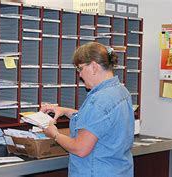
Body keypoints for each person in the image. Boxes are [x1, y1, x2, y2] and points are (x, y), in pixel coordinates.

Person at [41, 42, 135, 177]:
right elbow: (101, 122)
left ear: (93, 66)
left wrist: (54, 134)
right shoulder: (121, 91)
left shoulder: (99, 100)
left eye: (80, 69)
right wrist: (65, 111)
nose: (80, 75)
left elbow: (81, 148)